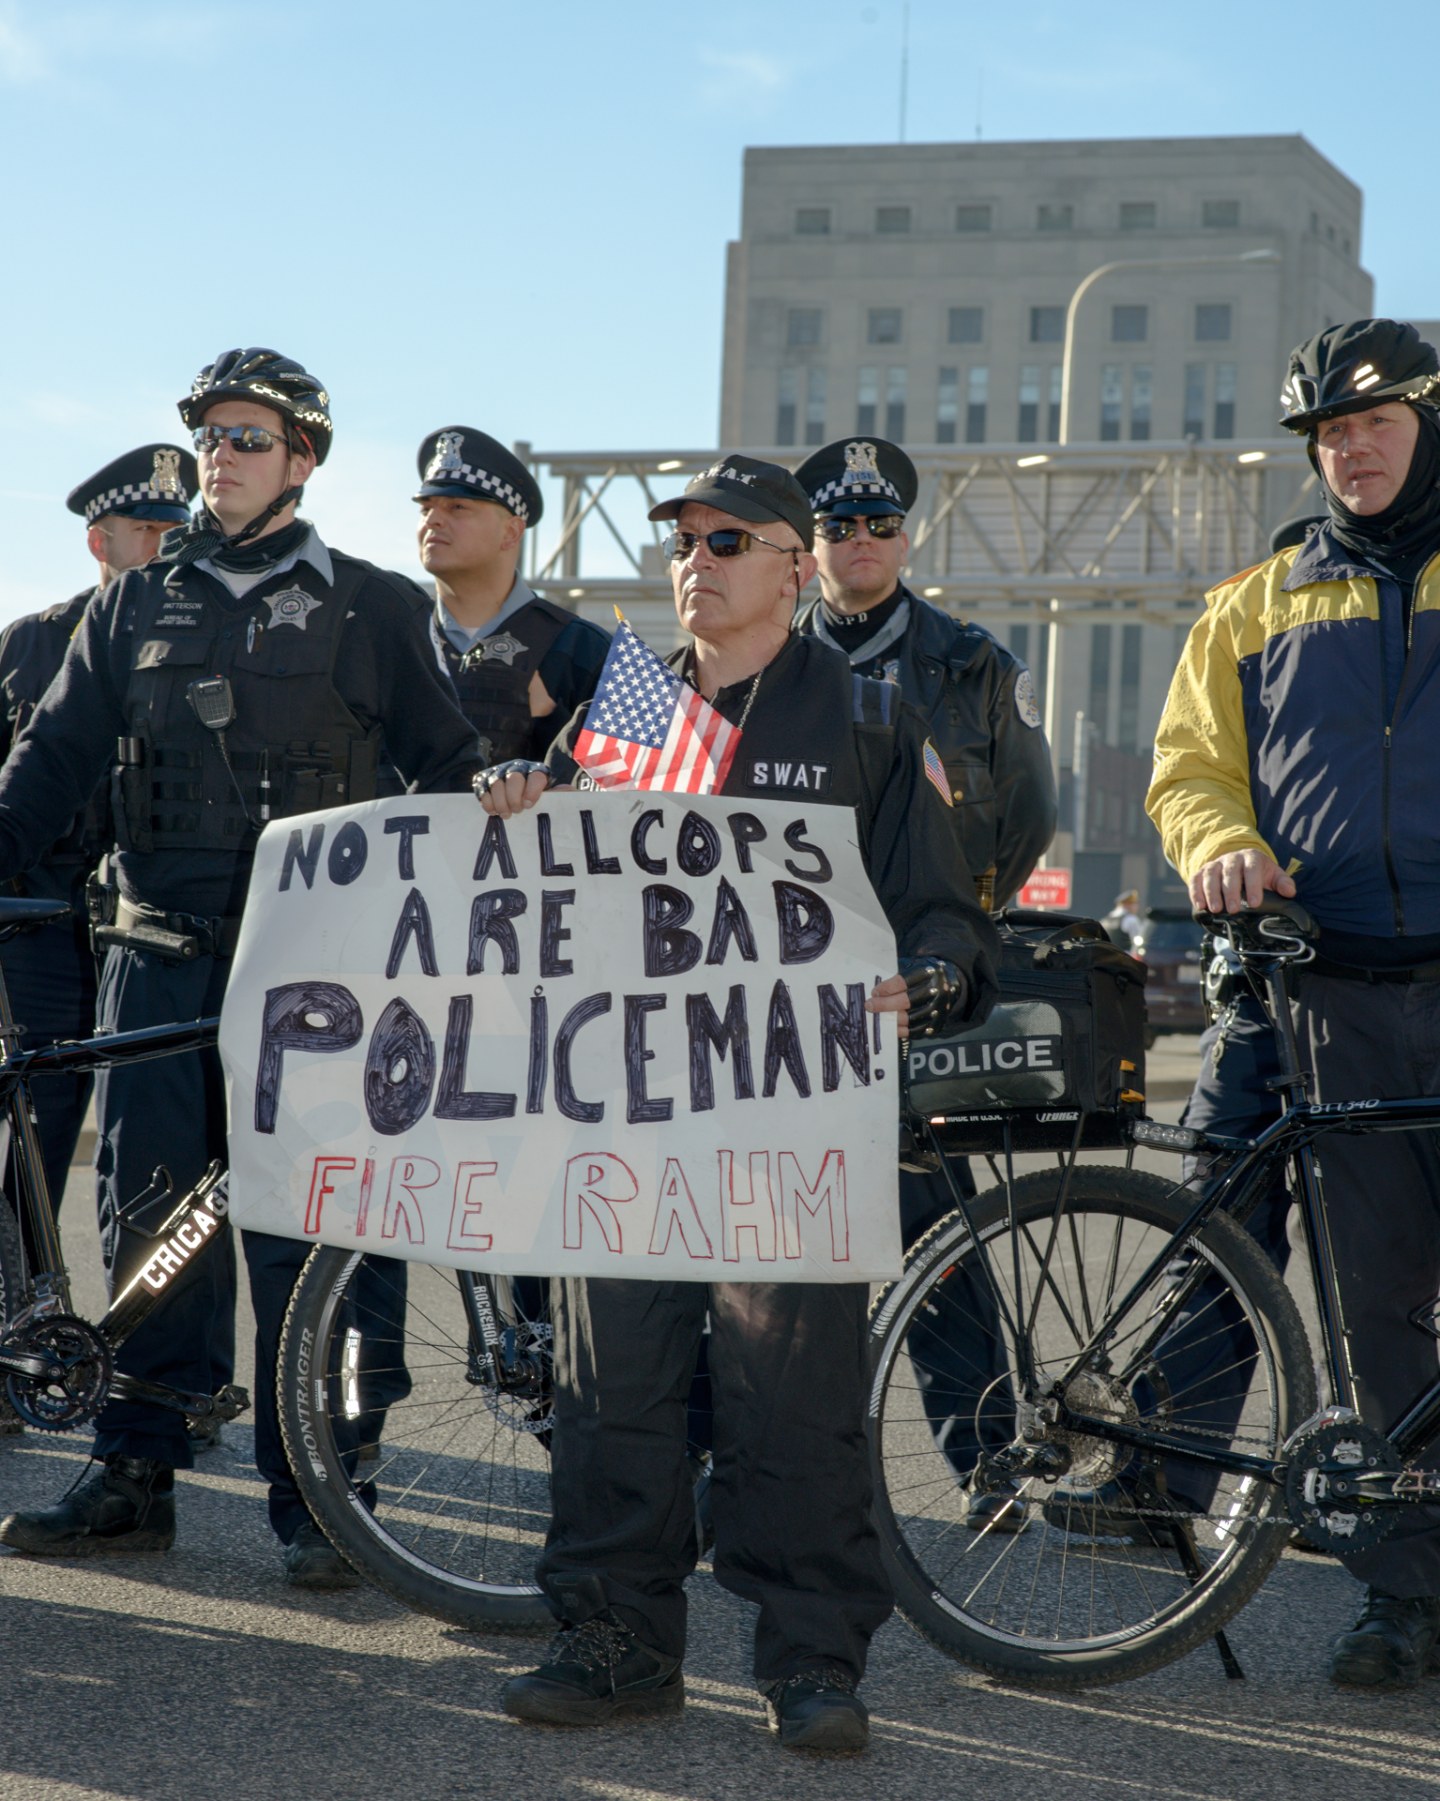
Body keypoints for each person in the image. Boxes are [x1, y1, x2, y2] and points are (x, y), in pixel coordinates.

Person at [474, 454, 1000, 1751]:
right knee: (615, 1393)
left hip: (791, 1116)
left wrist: (926, 976)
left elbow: (942, 916)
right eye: (683, 544)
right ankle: (613, 1642)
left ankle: (813, 1663)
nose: (695, 564)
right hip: (633, 1110)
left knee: (792, 1401)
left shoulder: (868, 717)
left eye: (727, 542)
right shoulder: (625, 711)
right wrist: (520, 803)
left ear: (792, 564)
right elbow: (552, 897)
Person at [0, 349, 483, 1585]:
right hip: (156, 958)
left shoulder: (375, 607)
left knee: (320, 1235)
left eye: (249, 436)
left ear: (304, 458)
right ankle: (135, 1467)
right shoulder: (129, 607)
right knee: (151, 1219)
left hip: (319, 981)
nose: (222, 454)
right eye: (211, 434)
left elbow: (453, 772)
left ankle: (325, 1493)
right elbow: (47, 766)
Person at [1147, 318, 1440, 1687]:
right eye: (1328, 430)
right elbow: (1190, 766)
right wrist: (1216, 840)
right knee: (1375, 1311)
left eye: (1375, 420)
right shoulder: (1255, 601)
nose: (1350, 446)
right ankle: (1405, 1594)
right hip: (1334, 991)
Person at [793, 435, 1057, 1532]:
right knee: (764, 1232)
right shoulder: (756, 653)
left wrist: (956, 941)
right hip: (778, 988)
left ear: (908, 535)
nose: (862, 542)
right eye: (840, 525)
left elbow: (1027, 811)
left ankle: (986, 1457)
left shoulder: (968, 662)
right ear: (810, 544)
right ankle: (749, 1468)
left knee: (930, 1233)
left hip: (914, 983)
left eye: (881, 524)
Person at [0, 446, 197, 1245]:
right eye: (143, 529)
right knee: (36, 1144)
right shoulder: (33, 647)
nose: (161, 546)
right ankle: (23, 1314)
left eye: (172, 530)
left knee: (148, 1152)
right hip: (44, 932)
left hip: (149, 924)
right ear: (99, 542)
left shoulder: (195, 643)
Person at [413, 425, 610, 760]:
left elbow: (625, 790)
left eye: (457, 507)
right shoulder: (394, 639)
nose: (433, 520)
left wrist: (550, 721)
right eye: (426, 508)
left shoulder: (583, 651)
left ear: (511, 532)